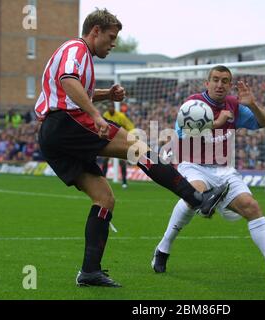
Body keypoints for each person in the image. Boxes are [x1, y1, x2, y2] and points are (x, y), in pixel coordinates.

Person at [34, 9, 228, 288]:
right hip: (66, 122)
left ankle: (89, 272)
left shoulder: (80, 56)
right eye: (111, 38)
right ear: (95, 31)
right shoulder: (77, 48)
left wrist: (106, 95)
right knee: (138, 147)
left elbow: (72, 88)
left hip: (53, 134)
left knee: (105, 199)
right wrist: (98, 115)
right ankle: (198, 199)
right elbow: (68, 81)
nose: (113, 44)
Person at [152, 65, 265, 277]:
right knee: (194, 193)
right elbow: (183, 137)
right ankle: (163, 249)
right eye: (215, 79)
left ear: (230, 85)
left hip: (224, 169)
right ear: (207, 83)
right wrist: (217, 123)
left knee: (251, 206)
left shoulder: (234, 105)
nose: (219, 84)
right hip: (193, 164)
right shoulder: (192, 104)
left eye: (225, 81)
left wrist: (253, 105)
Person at [102, 102, 134, 188]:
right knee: (105, 161)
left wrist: (127, 136)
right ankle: (103, 180)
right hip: (109, 141)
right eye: (109, 107)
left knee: (122, 162)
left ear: (114, 108)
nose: (110, 109)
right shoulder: (106, 115)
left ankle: (124, 181)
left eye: (111, 107)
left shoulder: (121, 116)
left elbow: (130, 127)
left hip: (119, 141)